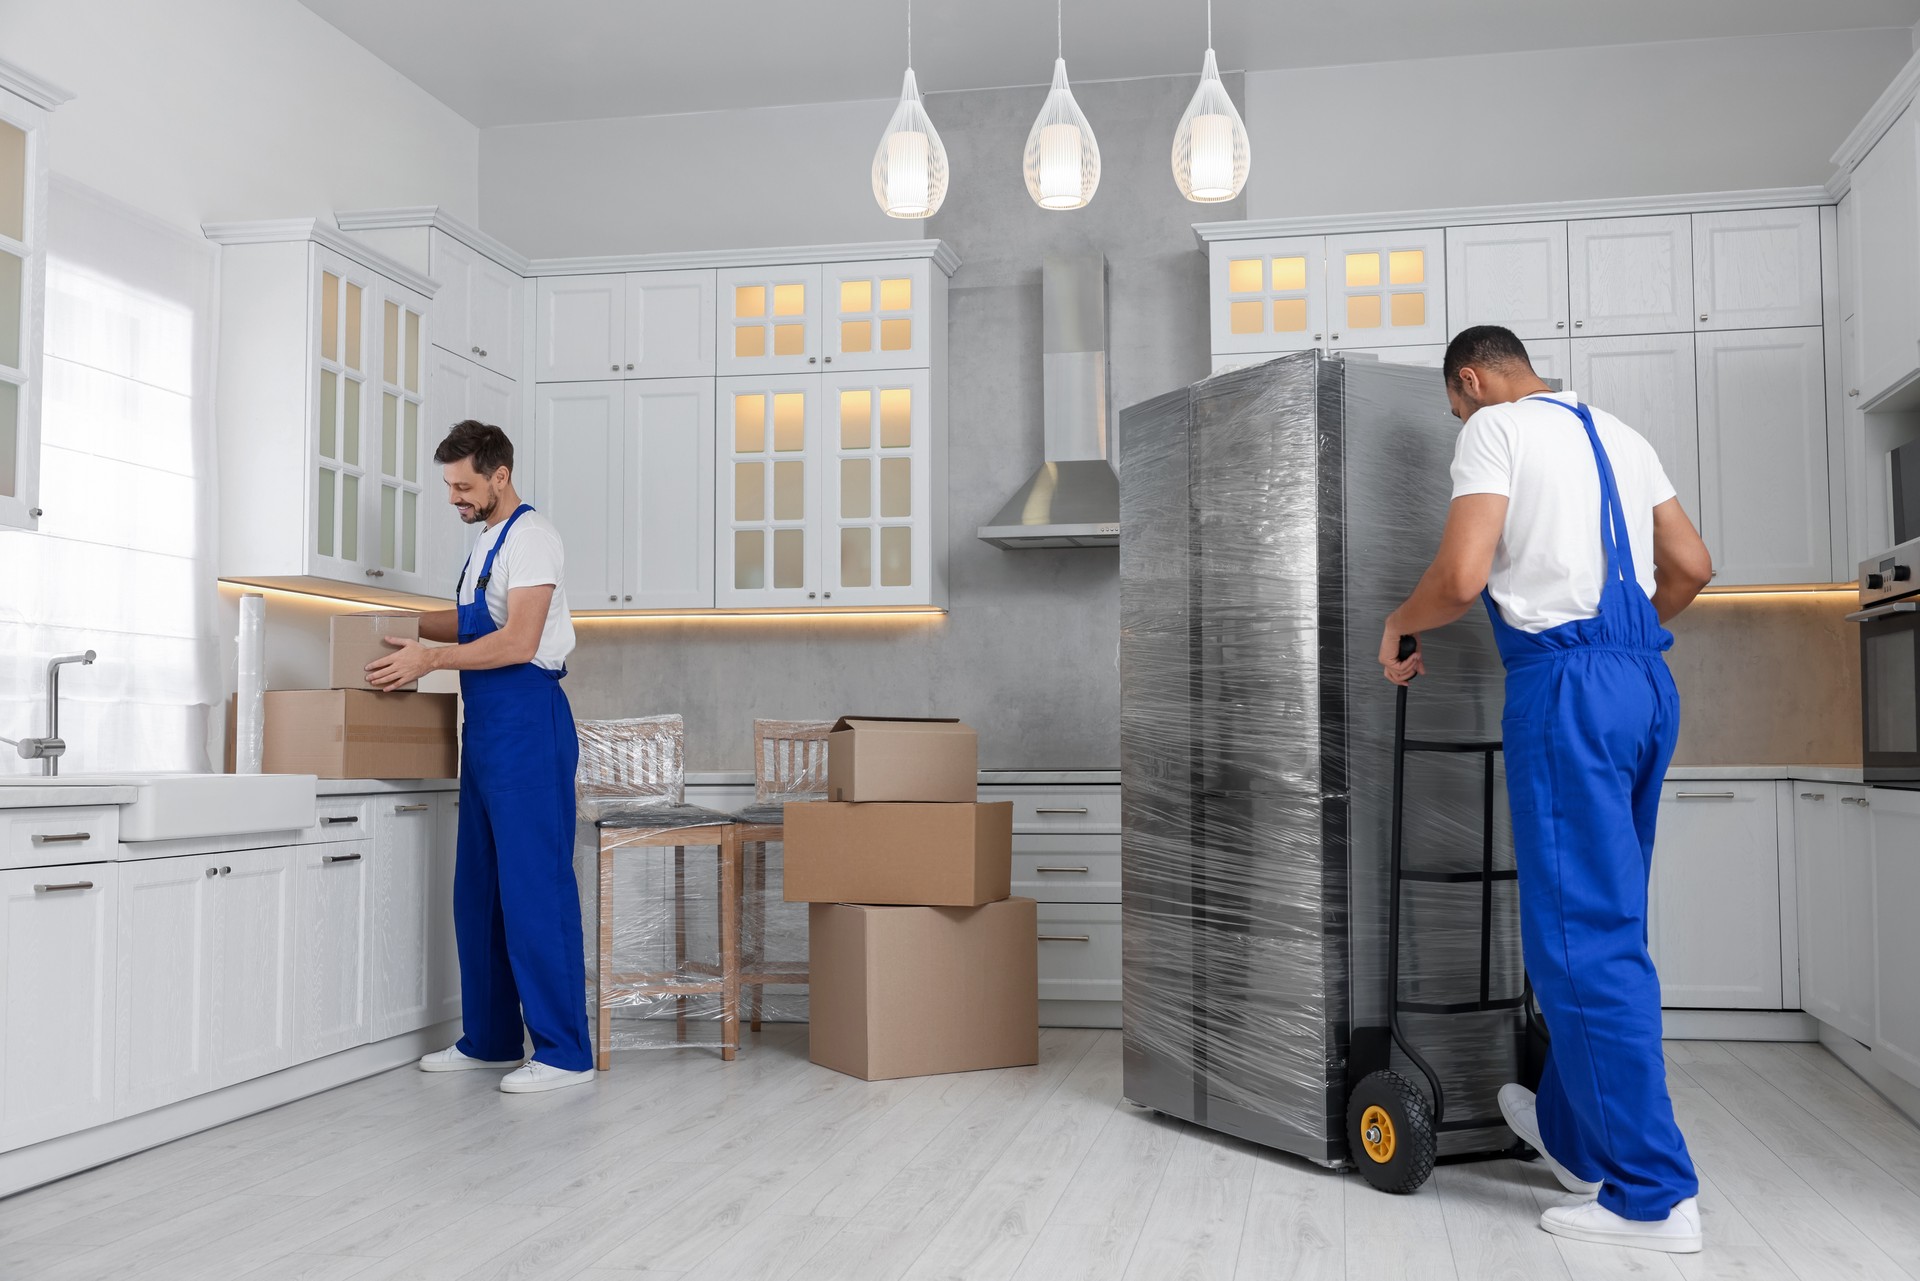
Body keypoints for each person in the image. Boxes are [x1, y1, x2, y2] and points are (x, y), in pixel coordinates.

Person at [1378, 326, 1714, 1253]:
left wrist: (1399, 625)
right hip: (1645, 682)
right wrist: (1621, 643)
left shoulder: (1497, 427)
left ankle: (1652, 1194)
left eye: (1455, 403)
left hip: (1566, 689)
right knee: (1607, 922)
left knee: (1578, 939)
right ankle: (1571, 1134)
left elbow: (1460, 576)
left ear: (1473, 379)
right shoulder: (1619, 432)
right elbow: (1692, 567)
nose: (1459, 417)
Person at [366, 420, 594, 1094]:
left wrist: (428, 656)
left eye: (464, 485)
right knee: (481, 891)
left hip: (529, 721)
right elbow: (468, 617)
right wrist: (393, 625)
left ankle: (563, 1052)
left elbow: (519, 641)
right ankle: (490, 1038)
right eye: (449, 486)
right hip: (487, 730)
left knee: (534, 888)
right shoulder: (485, 543)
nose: (454, 497)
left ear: (500, 475)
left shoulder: (532, 538)